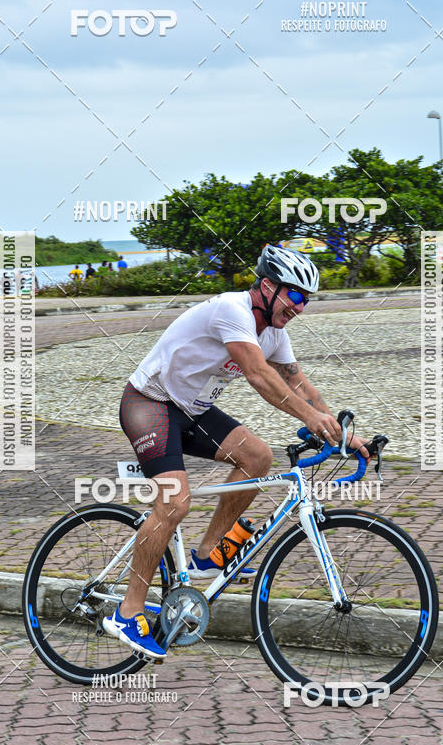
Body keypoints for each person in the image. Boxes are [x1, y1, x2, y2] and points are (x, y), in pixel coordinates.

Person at [103, 244, 369, 658]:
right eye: (294, 295)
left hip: (191, 411)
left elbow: (300, 387)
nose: (300, 306)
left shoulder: (274, 333)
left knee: (258, 458)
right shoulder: (232, 309)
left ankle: (209, 551)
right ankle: (127, 610)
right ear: (267, 287)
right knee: (174, 505)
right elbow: (259, 375)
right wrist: (310, 420)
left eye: (307, 299)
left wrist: (344, 435)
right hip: (148, 404)